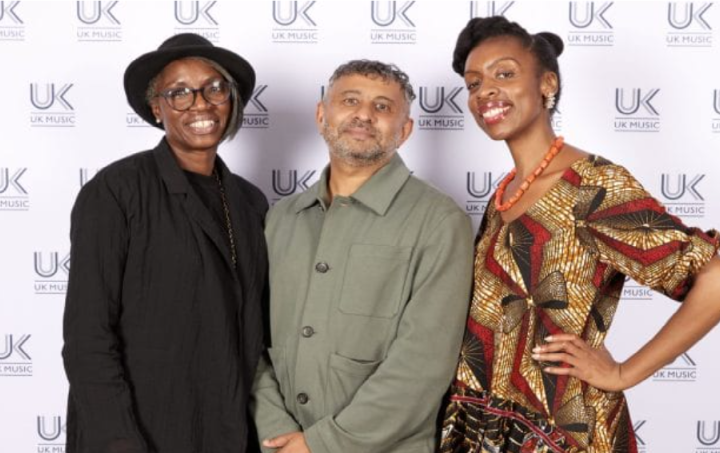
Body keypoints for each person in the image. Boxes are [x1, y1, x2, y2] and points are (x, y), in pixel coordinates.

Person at [439, 16, 720, 453]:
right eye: (474, 83)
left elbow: (714, 278)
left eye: (504, 74)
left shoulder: (593, 187)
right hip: (487, 426)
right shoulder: (507, 192)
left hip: (563, 430)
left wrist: (623, 373)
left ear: (546, 83)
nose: (485, 92)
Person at [250, 60, 475, 453]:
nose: (364, 115)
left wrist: (320, 445)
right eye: (350, 100)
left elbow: (422, 364)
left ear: (405, 130)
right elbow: (251, 339)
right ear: (322, 115)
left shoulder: (439, 221)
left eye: (383, 106)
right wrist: (276, 432)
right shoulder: (280, 219)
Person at [62, 33, 268, 453]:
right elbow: (87, 336)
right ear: (157, 108)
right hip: (138, 430)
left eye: (214, 88)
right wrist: (118, 440)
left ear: (230, 99)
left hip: (225, 427)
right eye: (179, 92)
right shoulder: (116, 191)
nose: (200, 104)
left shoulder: (250, 202)